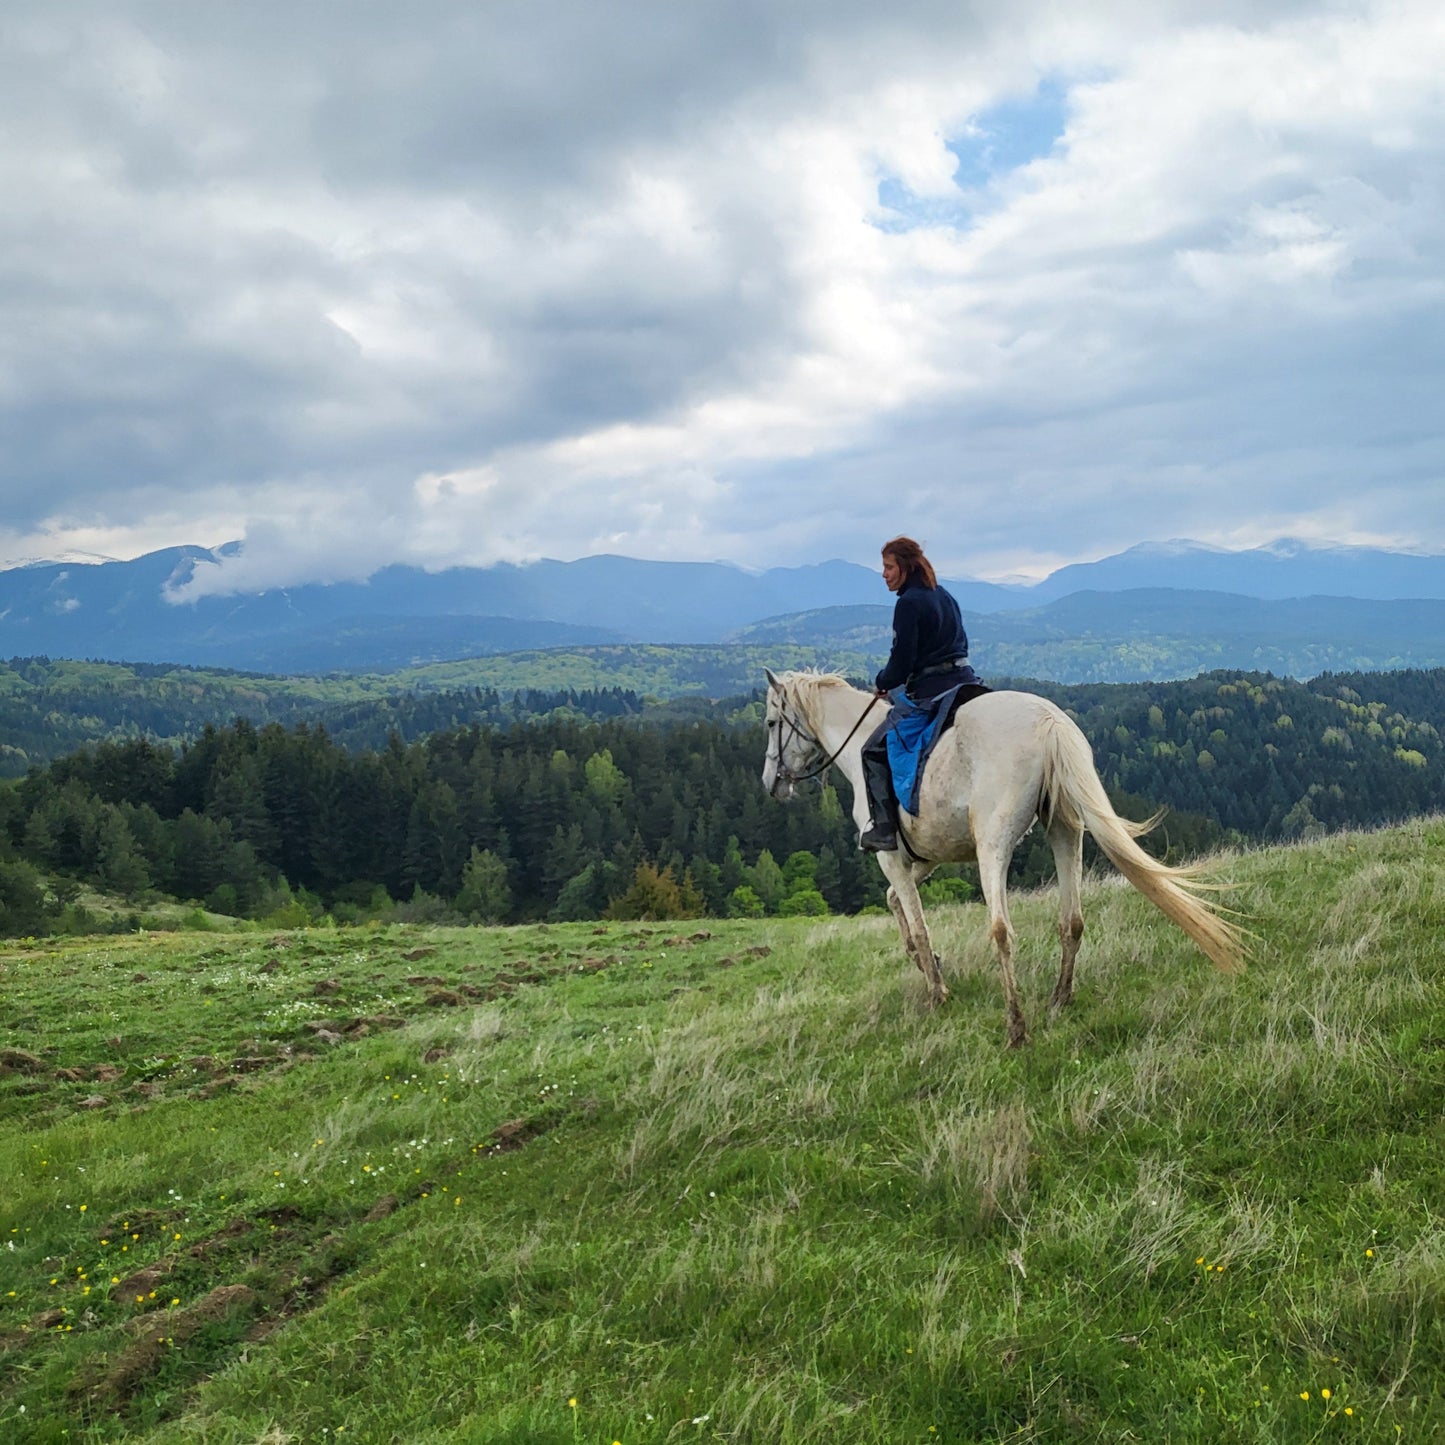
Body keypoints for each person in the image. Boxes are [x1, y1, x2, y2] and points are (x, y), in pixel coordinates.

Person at [858, 536, 978, 852]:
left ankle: (884, 829)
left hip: (932, 692)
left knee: (872, 749)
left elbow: (902, 661)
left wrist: (883, 680)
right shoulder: (945, 595)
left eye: (888, 567)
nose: (884, 574)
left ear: (905, 567)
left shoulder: (908, 603)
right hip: (967, 683)